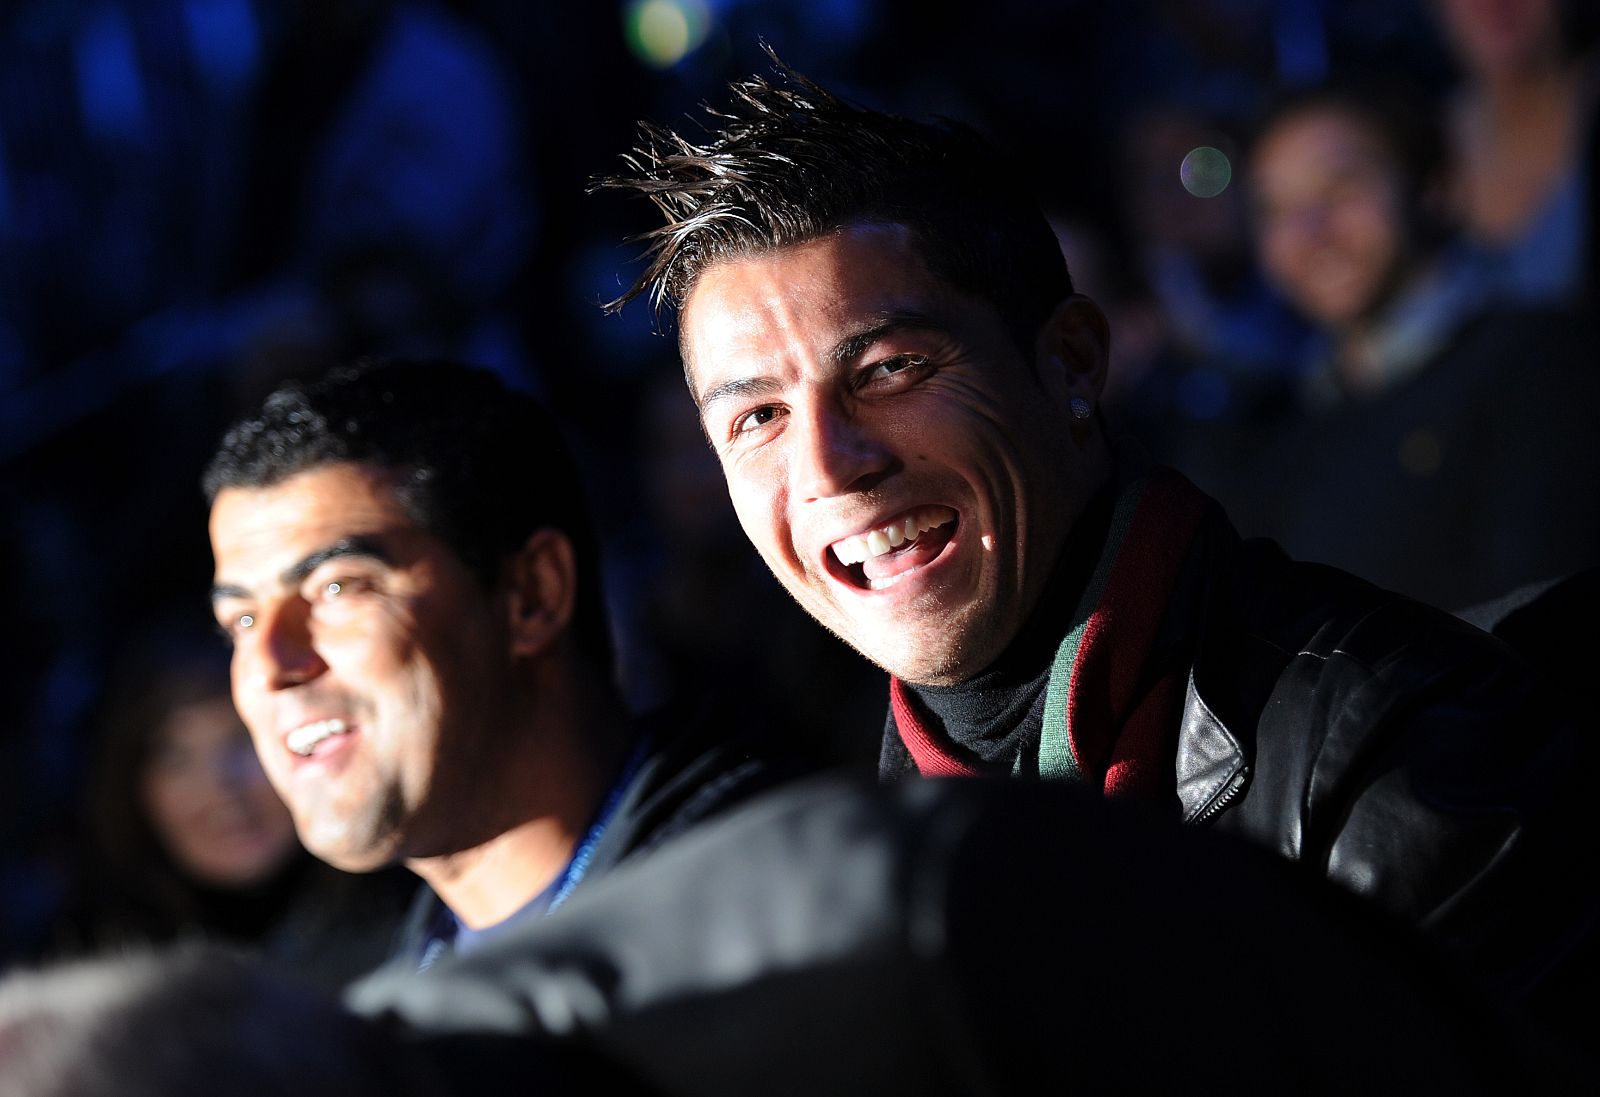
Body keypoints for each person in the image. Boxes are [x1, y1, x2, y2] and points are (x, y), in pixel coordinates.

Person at [595, 60, 1596, 1028]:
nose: (827, 464)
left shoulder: (1400, 746)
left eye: (890, 368)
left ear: (1071, 361)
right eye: (755, 419)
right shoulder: (843, 876)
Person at [201, 358, 799, 974]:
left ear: (531, 596)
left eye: (338, 588)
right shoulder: (370, 1020)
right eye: (241, 622)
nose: (270, 665)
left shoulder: (790, 905)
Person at [1218, 82, 1600, 607]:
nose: (1311, 231)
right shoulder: (1281, 426)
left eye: (1341, 188)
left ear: (1432, 189)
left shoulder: (1536, 360)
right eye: (1277, 209)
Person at [35, 627, 411, 990]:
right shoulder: (91, 980)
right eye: (176, 757)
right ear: (130, 787)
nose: (221, 787)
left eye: (241, 738)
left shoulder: (418, 930)